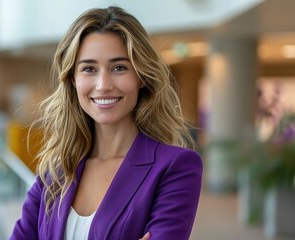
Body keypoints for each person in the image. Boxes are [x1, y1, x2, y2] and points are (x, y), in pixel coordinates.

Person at [10, 6, 202, 240]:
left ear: (141, 76)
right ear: (73, 79)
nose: (103, 84)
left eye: (119, 68)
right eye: (89, 69)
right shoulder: (55, 173)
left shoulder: (175, 167)